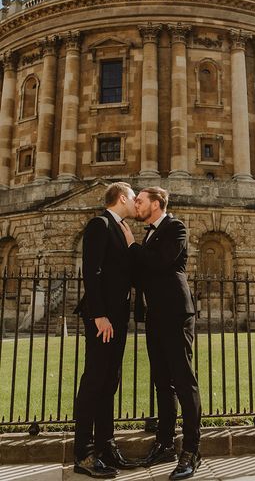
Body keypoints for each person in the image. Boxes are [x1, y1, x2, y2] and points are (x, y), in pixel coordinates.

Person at [120, 186, 202, 481]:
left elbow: (159, 263)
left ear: (156, 203)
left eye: (140, 201)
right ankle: (165, 443)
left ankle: (191, 450)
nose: (136, 205)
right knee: (162, 383)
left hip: (177, 315)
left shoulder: (175, 227)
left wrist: (131, 246)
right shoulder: (150, 234)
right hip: (155, 314)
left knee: (183, 380)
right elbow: (143, 274)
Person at [73, 182, 138, 479]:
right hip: (102, 318)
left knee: (110, 379)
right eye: (134, 198)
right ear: (122, 198)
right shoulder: (99, 224)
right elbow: (92, 270)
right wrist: (98, 314)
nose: (137, 203)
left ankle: (105, 444)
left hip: (118, 315)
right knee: (94, 380)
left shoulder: (122, 229)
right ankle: (84, 454)